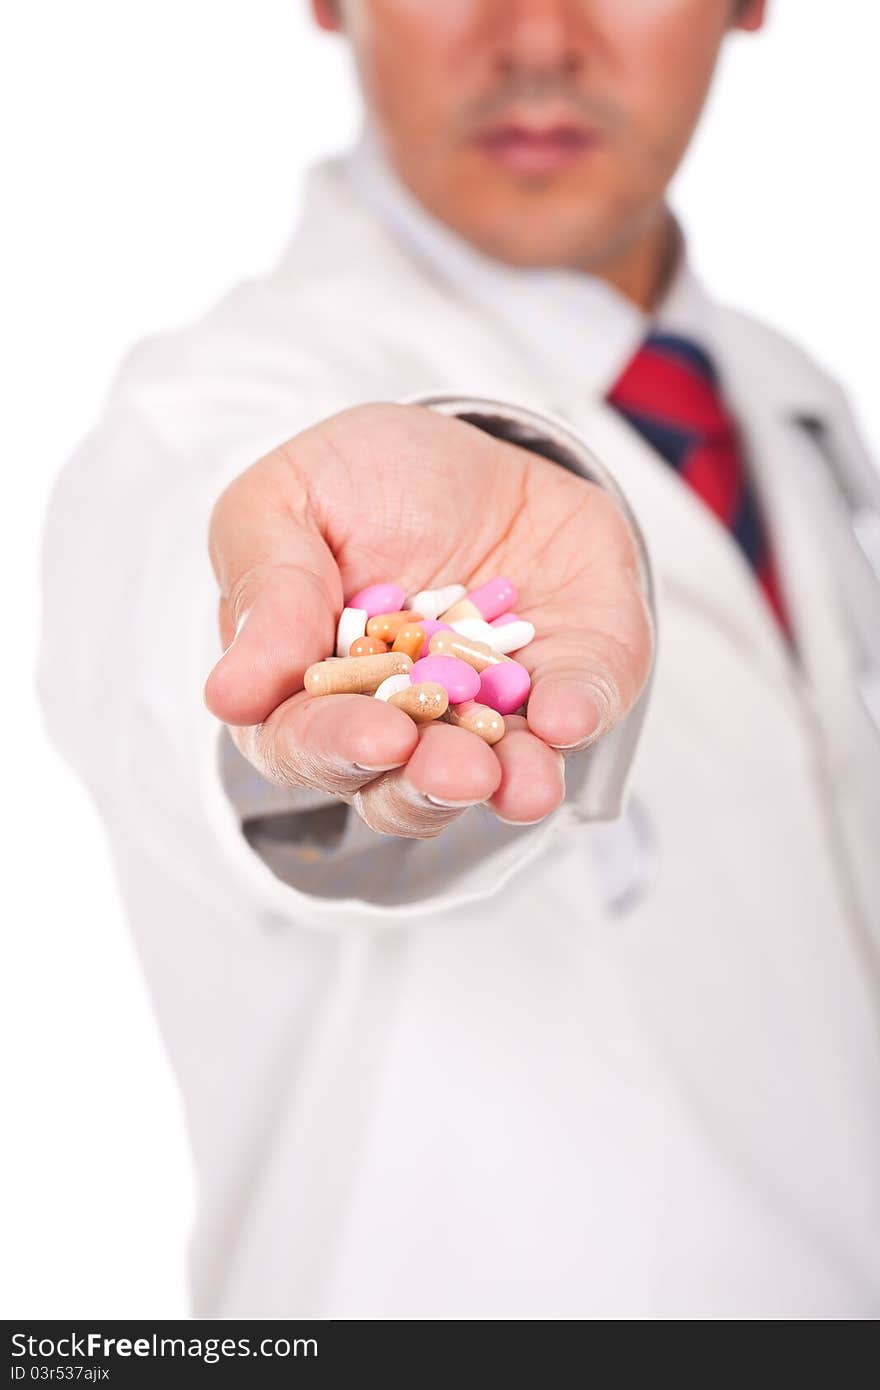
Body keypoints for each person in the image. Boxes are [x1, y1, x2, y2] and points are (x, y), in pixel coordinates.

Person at [38, 0, 880, 1318]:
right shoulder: (213, 403)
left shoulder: (789, 397)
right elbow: (189, 644)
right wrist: (304, 664)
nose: (538, 37)